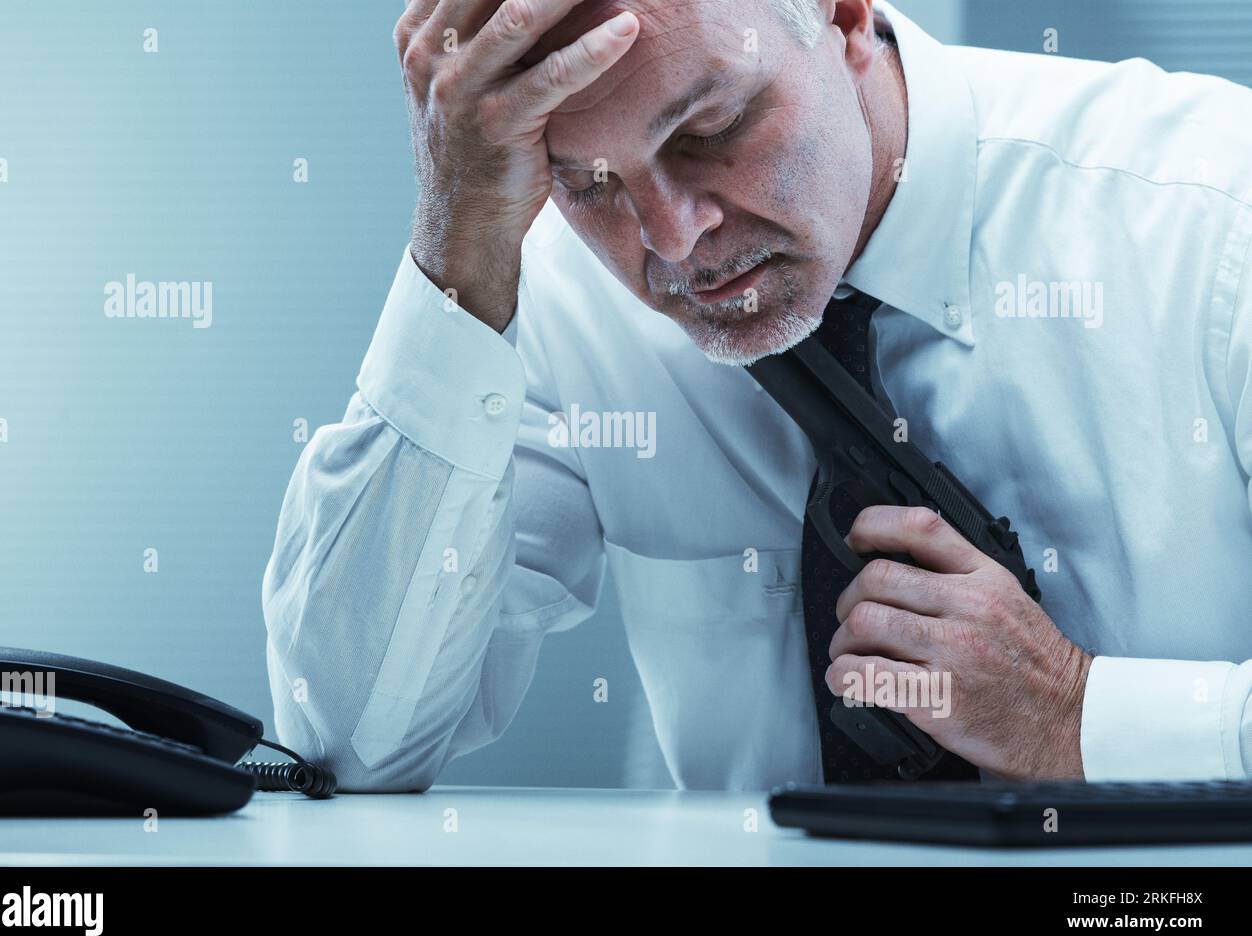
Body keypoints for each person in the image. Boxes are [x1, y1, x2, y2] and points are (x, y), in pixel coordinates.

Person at [262, 0, 1252, 790]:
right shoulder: (547, 291)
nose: (671, 241)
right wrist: (454, 263)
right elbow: (348, 741)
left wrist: (1078, 717)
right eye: (589, 180)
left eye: (711, 129)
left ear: (847, 20)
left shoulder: (1212, 218)